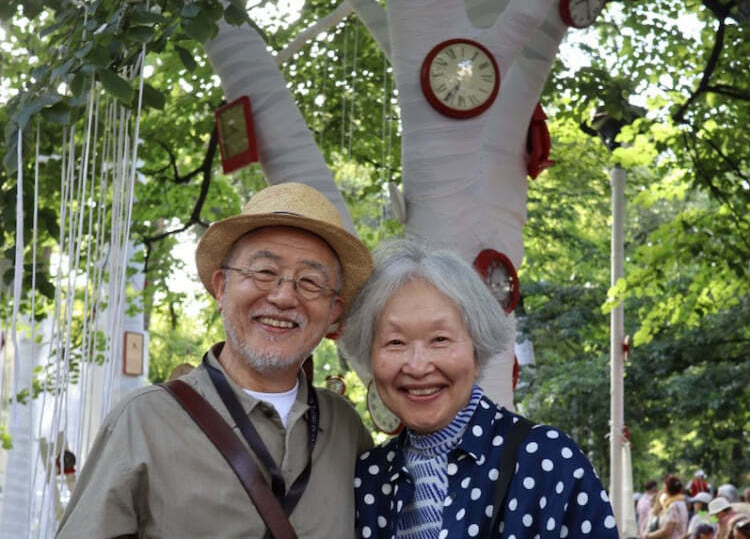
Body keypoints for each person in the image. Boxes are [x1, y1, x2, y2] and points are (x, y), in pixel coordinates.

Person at [57, 182, 375, 537]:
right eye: (265, 272)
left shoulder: (346, 429)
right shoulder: (144, 421)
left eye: (311, 281)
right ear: (222, 287)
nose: (285, 296)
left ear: (334, 311)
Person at [339, 239, 619, 538]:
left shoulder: (546, 458)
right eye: (395, 342)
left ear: (477, 350)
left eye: (440, 339)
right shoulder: (368, 477)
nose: (418, 366)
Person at [643, 474, 688, 539]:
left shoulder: (673, 506)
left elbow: (667, 531)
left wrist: (648, 536)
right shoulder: (681, 502)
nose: (662, 487)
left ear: (667, 488)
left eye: (664, 484)